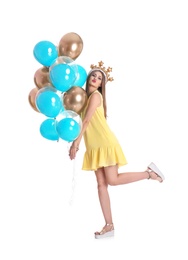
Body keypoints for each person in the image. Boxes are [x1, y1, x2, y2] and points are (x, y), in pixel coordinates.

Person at [69, 61, 165, 239]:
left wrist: (76, 143)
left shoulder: (96, 96)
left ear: (100, 85)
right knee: (101, 186)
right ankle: (109, 226)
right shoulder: (83, 99)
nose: (95, 79)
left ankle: (148, 173)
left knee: (112, 180)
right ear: (88, 77)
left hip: (105, 144)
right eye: (94, 76)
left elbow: (87, 120)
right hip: (94, 147)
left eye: (99, 79)